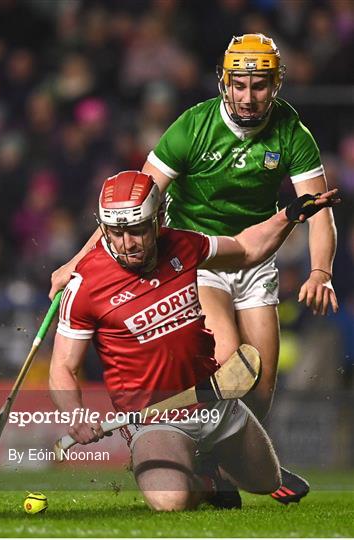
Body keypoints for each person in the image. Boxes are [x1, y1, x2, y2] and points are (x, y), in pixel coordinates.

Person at [49, 34, 338, 503]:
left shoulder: (292, 133)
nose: (248, 97)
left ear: (276, 84)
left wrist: (320, 271)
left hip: (253, 254)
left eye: (259, 86)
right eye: (240, 85)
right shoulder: (192, 127)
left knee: (259, 382)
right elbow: (135, 200)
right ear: (225, 83)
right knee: (225, 357)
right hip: (195, 257)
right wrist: (76, 262)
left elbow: (317, 208)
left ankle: (224, 466)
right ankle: (204, 467)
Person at [49, 170, 339, 511]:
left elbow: (246, 249)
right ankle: (205, 484)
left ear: (158, 219)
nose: (127, 243)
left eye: (138, 230)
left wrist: (288, 216)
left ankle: (209, 462)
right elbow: (63, 368)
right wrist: (75, 413)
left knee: (267, 483)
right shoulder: (86, 287)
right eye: (116, 232)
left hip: (214, 401)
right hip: (155, 419)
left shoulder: (183, 245)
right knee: (170, 501)